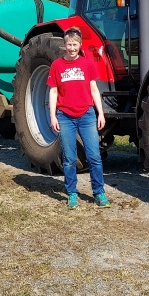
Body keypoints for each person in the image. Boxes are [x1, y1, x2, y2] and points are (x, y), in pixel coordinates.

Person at [47, 26, 110, 209]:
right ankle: (72, 193)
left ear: (80, 45)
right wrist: (53, 116)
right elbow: (53, 92)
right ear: (64, 45)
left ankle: (99, 193)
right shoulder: (57, 66)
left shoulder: (87, 64)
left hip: (87, 115)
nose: (72, 48)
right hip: (65, 116)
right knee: (69, 158)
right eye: (69, 44)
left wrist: (101, 113)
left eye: (75, 44)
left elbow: (94, 90)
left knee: (94, 156)